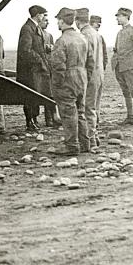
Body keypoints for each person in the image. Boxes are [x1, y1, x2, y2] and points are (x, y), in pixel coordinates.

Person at [49, 8, 89, 155]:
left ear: (61, 20)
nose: (57, 23)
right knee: (80, 112)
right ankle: (85, 143)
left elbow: (58, 66)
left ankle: (72, 146)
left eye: (58, 20)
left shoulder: (62, 41)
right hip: (81, 77)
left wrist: (57, 84)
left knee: (68, 113)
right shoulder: (82, 38)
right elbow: (89, 61)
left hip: (67, 78)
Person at [16, 5, 49, 131]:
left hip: (36, 70)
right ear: (38, 15)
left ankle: (34, 120)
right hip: (29, 70)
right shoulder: (27, 28)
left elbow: (37, 46)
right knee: (29, 96)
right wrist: (40, 60)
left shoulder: (34, 28)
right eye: (43, 15)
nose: (44, 17)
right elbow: (25, 50)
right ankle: (30, 121)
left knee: (35, 95)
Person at [111, 7, 133, 126]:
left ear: (126, 17)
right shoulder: (119, 33)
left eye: (119, 16)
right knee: (125, 92)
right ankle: (130, 117)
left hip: (130, 67)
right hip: (120, 67)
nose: (117, 18)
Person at [75, 8, 99, 151]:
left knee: (87, 109)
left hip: (88, 77)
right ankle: (94, 137)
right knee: (92, 108)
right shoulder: (95, 33)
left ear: (78, 21)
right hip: (96, 75)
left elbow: (86, 59)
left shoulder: (84, 35)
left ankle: (90, 140)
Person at [39, 17, 61, 126]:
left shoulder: (49, 35)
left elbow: (54, 51)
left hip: (49, 68)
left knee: (51, 94)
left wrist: (52, 48)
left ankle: (52, 118)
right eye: (45, 20)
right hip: (40, 69)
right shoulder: (37, 35)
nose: (47, 23)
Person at [90, 14, 109, 126]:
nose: (98, 26)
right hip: (95, 73)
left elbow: (105, 55)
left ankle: (95, 119)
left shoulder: (99, 37)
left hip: (97, 73)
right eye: (97, 24)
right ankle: (94, 120)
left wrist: (102, 68)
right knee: (93, 99)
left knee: (95, 99)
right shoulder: (91, 36)